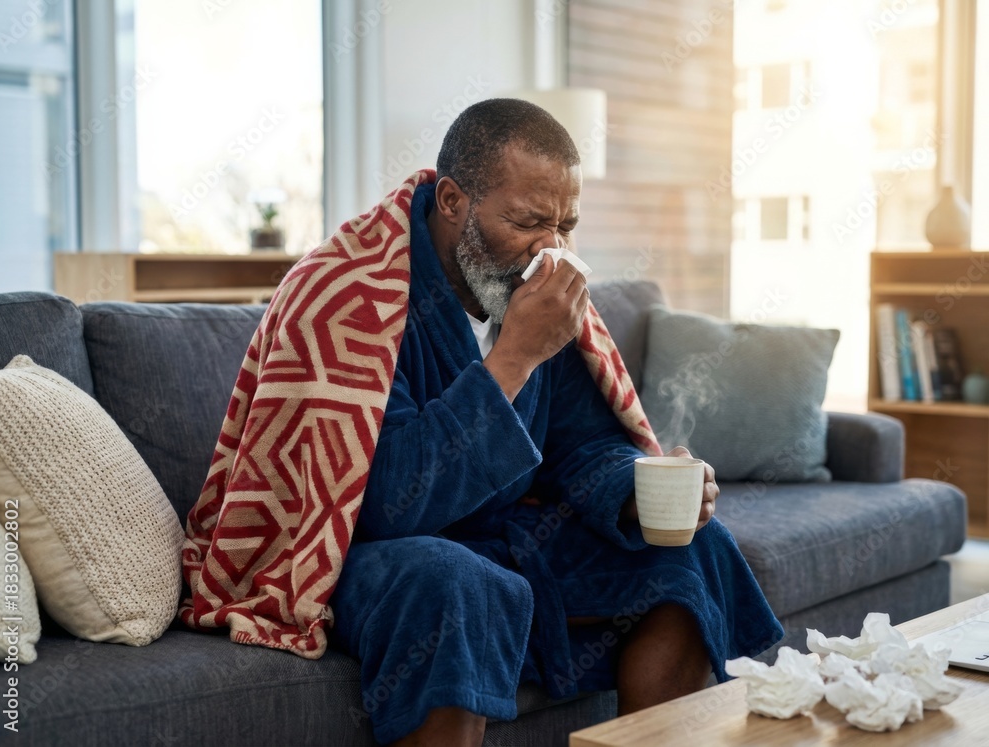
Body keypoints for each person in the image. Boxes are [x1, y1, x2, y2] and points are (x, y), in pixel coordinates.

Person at [327, 98, 783, 746]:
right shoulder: (362, 298)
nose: (553, 250)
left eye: (565, 225)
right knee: (454, 580)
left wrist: (640, 484)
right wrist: (514, 357)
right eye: (527, 221)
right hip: (383, 554)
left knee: (693, 547)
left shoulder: (532, 289)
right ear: (453, 201)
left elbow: (586, 443)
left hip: (503, 537)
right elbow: (385, 505)